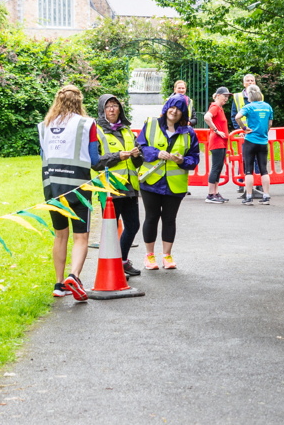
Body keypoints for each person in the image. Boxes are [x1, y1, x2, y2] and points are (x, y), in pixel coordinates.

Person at [39, 85, 98, 300]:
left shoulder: (44, 125)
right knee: (81, 236)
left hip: (53, 189)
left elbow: (44, 156)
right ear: (79, 101)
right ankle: (73, 276)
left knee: (60, 235)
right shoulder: (87, 123)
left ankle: (58, 283)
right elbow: (94, 160)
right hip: (79, 188)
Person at [136, 95, 200, 269]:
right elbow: (140, 147)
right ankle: (149, 256)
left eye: (179, 109)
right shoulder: (151, 124)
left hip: (175, 184)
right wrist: (156, 153)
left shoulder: (189, 132)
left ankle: (167, 256)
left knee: (170, 219)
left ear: (183, 112)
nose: (174, 111)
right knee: (151, 217)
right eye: (172, 107)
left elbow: (194, 158)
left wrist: (182, 161)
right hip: (151, 181)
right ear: (166, 108)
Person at [94, 93, 142, 276]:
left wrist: (137, 155)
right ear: (102, 110)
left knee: (133, 225)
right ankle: (110, 268)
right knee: (110, 230)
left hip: (130, 186)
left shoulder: (126, 130)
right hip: (110, 188)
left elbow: (138, 162)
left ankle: (122, 261)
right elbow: (95, 162)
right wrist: (117, 156)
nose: (112, 109)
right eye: (108, 106)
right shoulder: (96, 131)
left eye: (115, 105)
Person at [236, 84, 274, 205]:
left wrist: (244, 128)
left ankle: (248, 197)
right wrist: (265, 132)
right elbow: (270, 123)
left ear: (249, 96)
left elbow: (237, 117)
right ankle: (266, 196)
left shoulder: (249, 107)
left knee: (248, 170)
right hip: (263, 141)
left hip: (250, 140)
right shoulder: (267, 106)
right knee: (264, 170)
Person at [203, 87, 231, 203]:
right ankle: (210, 195)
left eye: (227, 96)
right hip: (217, 141)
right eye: (225, 96)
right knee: (216, 167)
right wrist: (216, 130)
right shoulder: (215, 107)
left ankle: (215, 192)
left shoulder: (219, 108)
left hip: (221, 141)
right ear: (218, 95)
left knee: (218, 167)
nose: (226, 98)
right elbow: (206, 117)